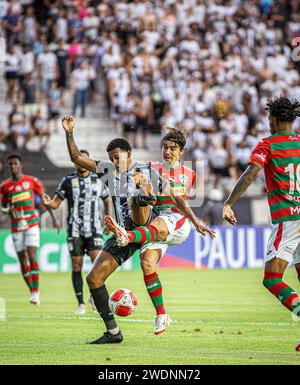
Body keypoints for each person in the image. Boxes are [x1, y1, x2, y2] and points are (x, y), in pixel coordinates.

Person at [62, 115, 214, 344]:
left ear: (129, 155)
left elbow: (175, 197)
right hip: (123, 234)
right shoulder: (106, 171)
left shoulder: (145, 169)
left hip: (144, 224)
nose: (114, 162)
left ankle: (139, 210)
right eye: (111, 158)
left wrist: (194, 221)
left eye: (118, 157)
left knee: (139, 190)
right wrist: (69, 132)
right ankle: (113, 332)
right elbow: (75, 157)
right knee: (93, 279)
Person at [105, 127, 216, 334]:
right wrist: (140, 185)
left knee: (155, 224)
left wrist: (195, 222)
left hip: (177, 221)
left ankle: (127, 236)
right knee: (146, 262)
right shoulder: (149, 167)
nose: (167, 151)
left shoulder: (189, 174)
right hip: (157, 225)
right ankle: (162, 315)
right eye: (165, 147)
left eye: (173, 148)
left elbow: (179, 200)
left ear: (181, 151)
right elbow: (135, 184)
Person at [222, 96, 300, 352]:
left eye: (268, 118)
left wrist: (229, 203)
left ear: (275, 119)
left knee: (272, 278)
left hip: (288, 220)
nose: (268, 122)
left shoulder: (268, 145)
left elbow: (250, 174)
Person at [41, 150, 112, 314]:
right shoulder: (68, 180)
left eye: (85, 160)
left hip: (94, 228)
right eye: (79, 160)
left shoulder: (98, 180)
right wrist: (48, 204)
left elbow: (107, 199)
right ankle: (80, 303)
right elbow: (55, 203)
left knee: (98, 264)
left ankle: (94, 298)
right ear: (75, 162)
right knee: (76, 265)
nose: (81, 163)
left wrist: (108, 220)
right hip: (75, 229)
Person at [0, 154, 60, 305]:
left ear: (20, 165)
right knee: (22, 261)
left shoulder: (31, 181)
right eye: (10, 164)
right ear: (8, 167)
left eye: (15, 164)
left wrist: (53, 218)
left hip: (32, 224)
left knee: (32, 256)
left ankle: (36, 292)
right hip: (16, 226)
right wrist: (6, 210)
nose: (13, 166)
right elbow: (3, 206)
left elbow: (45, 199)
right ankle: (32, 290)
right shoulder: (5, 186)